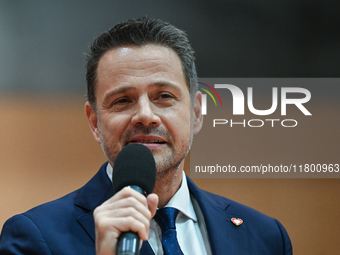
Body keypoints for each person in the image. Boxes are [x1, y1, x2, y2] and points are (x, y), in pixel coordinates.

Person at [0, 16, 292, 255]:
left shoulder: (265, 237)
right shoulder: (33, 238)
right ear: (94, 122)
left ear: (197, 112)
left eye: (164, 96)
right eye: (122, 100)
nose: (145, 115)